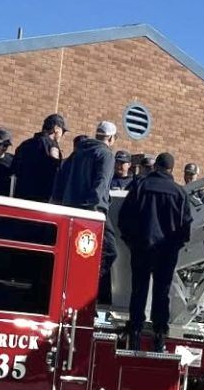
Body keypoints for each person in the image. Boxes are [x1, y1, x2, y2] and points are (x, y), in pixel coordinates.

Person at [118, 152, 192, 352]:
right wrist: (175, 245)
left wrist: (130, 241)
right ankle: (159, 334)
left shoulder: (140, 187)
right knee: (162, 292)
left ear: (156, 167)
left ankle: (135, 329)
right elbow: (186, 226)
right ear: (171, 170)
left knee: (139, 289)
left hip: (141, 247)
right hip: (166, 251)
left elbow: (124, 217)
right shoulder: (179, 193)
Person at [53, 122, 118, 304]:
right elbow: (101, 184)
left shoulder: (78, 152)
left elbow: (61, 179)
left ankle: (71, 291)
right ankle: (85, 291)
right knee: (109, 251)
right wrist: (95, 214)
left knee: (74, 254)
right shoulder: (105, 154)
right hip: (91, 213)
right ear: (112, 138)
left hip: (70, 211)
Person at [12, 113, 67, 202]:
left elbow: (14, 170)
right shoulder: (52, 145)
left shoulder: (24, 144)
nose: (62, 135)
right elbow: (56, 169)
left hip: (20, 198)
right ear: (56, 129)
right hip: (41, 199)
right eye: (63, 131)